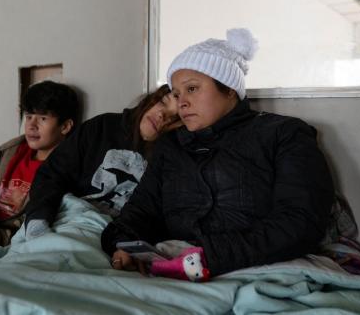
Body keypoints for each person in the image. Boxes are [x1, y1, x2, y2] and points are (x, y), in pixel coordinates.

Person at [101, 28, 335, 281]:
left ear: (230, 88)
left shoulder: (284, 134)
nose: (181, 103)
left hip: (250, 266)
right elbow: (140, 211)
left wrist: (209, 257)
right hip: (173, 266)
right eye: (177, 94)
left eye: (192, 89)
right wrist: (125, 245)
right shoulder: (172, 146)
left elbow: (300, 222)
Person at [23, 84, 181, 238]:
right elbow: (52, 174)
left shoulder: (170, 159)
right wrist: (38, 222)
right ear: (151, 100)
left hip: (109, 236)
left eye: (173, 118)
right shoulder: (103, 127)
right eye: (163, 102)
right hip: (61, 218)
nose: (162, 114)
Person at [0, 80, 79, 247]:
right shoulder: (13, 152)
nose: (32, 125)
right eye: (29, 116)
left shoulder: (66, 170)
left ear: (65, 126)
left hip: (0, 240)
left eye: (43, 118)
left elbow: (44, 221)